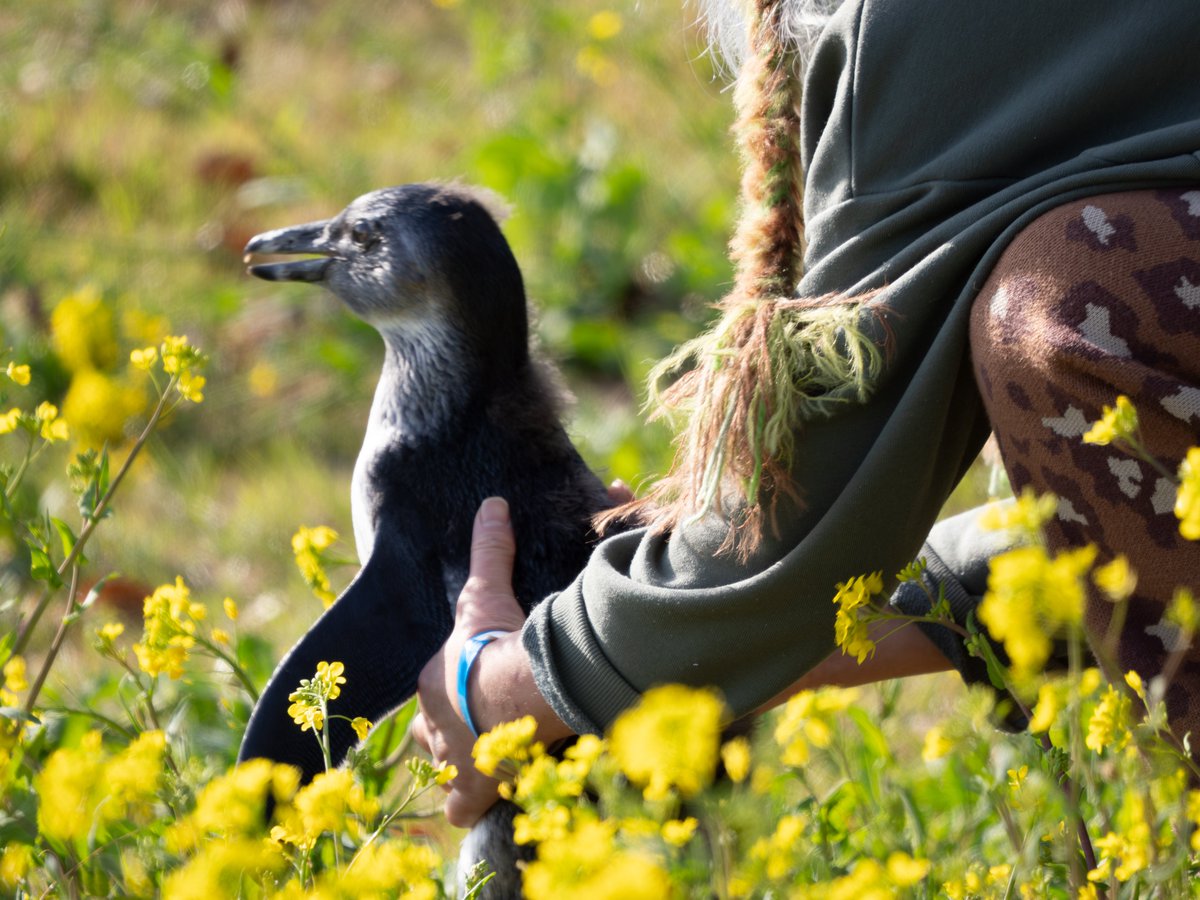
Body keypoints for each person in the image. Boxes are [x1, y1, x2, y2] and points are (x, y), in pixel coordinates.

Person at [412, 0, 1200, 829]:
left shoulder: (905, 25)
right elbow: (1151, 482)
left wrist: (497, 687)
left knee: (1068, 304)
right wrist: (847, 630)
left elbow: (804, 520)